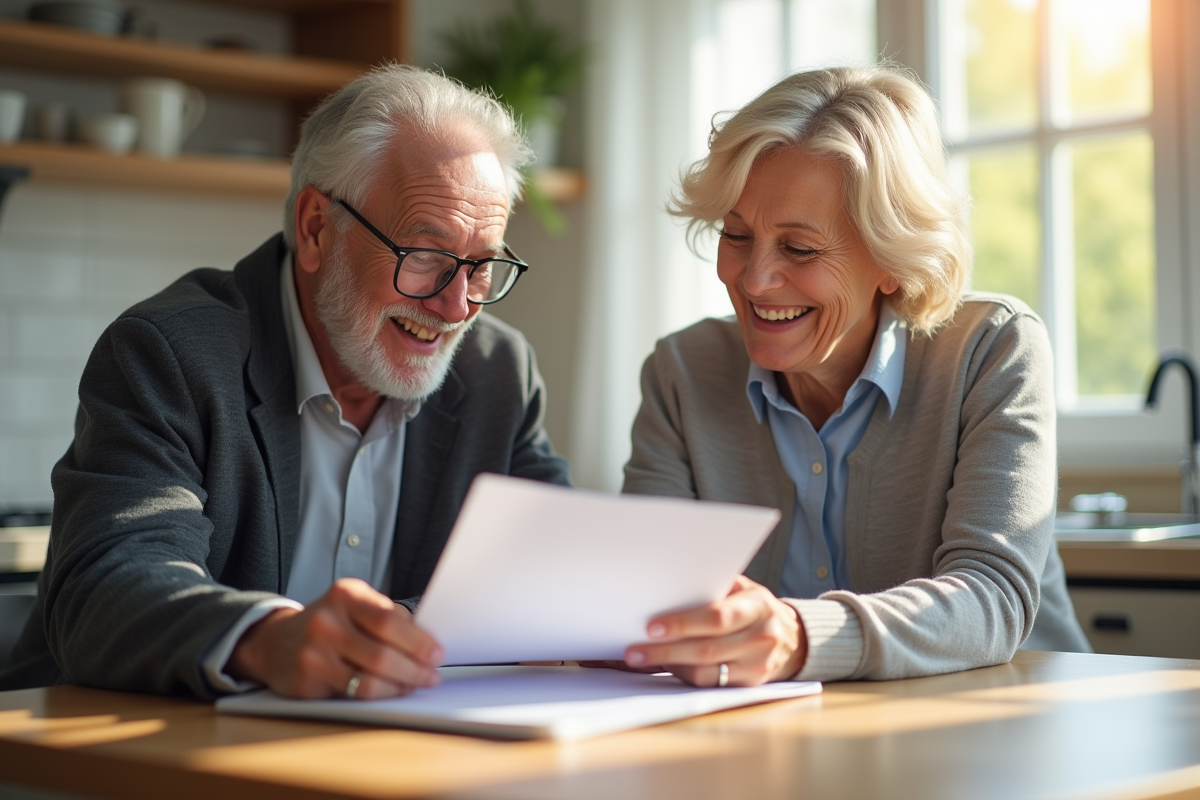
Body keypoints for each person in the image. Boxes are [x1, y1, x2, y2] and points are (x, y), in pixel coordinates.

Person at [0, 65, 569, 699]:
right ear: (316, 228)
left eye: (483, 266)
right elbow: (105, 588)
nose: (457, 305)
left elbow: (552, 565)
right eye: (426, 256)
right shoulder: (170, 354)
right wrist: (268, 639)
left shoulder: (498, 374)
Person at [620, 65, 1090, 688]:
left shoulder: (992, 350)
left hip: (1011, 725)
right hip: (792, 739)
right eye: (737, 235)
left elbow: (992, 599)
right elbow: (647, 598)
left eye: (800, 249)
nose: (755, 279)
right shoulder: (681, 373)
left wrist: (797, 636)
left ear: (892, 260)